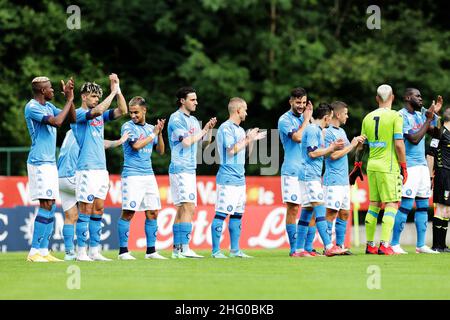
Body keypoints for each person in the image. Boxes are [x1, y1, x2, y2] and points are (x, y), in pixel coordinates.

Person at [73, 74, 127, 261]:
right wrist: (111, 93)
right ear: (84, 96)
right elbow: (96, 111)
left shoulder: (100, 115)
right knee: (85, 209)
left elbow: (122, 110)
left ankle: (94, 251)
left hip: (100, 168)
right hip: (86, 168)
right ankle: (81, 252)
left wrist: (117, 89)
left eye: (98, 97)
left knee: (99, 208)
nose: (96, 99)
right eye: (93, 96)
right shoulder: (77, 113)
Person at [350, 84, 407, 255]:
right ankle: (384, 244)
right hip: (388, 167)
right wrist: (404, 166)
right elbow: (398, 144)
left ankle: (370, 245)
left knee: (374, 204)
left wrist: (357, 165)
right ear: (393, 97)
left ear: (377, 99)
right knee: (391, 204)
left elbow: (361, 146)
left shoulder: (367, 117)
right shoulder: (396, 116)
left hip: (372, 166)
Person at [25, 76, 75, 262]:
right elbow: (56, 122)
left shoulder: (48, 106)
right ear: (42, 91)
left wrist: (71, 97)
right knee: (45, 204)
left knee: (51, 205)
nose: (53, 90)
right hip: (39, 162)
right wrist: (68, 100)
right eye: (50, 88)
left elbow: (70, 118)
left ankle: (44, 251)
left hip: (49, 163)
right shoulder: (32, 107)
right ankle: (34, 251)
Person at [58, 129, 129, 261]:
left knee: (70, 216)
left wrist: (118, 142)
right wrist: (120, 141)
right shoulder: (86, 130)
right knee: (94, 207)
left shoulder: (70, 131)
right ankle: (90, 252)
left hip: (61, 177)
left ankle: (69, 253)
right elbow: (101, 144)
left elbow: (100, 143)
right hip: (74, 175)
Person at [211, 97, 267, 258]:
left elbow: (245, 154)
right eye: (245, 109)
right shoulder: (226, 128)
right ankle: (216, 251)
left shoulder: (241, 130)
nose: (246, 113)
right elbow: (231, 150)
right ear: (238, 110)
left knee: (237, 215)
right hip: (227, 178)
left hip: (240, 178)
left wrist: (251, 141)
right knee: (221, 214)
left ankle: (235, 250)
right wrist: (248, 139)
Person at [390, 89, 442, 254]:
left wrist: (436, 116)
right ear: (407, 98)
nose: (421, 98)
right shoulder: (401, 116)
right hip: (409, 166)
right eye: (417, 96)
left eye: (421, 96)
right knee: (405, 206)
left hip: (422, 166)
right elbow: (414, 139)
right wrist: (428, 119)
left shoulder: (421, 115)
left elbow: (437, 133)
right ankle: (394, 244)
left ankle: (420, 245)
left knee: (422, 206)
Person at [168, 87, 217, 258]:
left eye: (196, 99)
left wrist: (208, 129)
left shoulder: (194, 121)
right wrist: (202, 132)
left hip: (189, 169)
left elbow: (204, 143)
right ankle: (184, 248)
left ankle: (177, 250)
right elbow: (188, 142)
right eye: (192, 99)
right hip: (180, 168)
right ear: (182, 100)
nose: (196, 102)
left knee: (183, 208)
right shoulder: (176, 119)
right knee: (188, 206)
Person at [117, 96, 167, 260]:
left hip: (148, 175)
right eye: (131, 113)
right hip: (132, 175)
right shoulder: (127, 127)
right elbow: (136, 146)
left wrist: (159, 133)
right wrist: (153, 134)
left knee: (152, 212)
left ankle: (151, 251)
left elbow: (160, 151)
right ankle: (123, 252)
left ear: (144, 110)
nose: (133, 116)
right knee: (129, 212)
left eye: (136, 112)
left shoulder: (151, 128)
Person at [295, 103, 347, 257]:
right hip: (309, 175)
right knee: (320, 208)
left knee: (306, 211)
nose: (329, 122)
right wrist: (331, 149)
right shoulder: (312, 130)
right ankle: (329, 246)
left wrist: (330, 147)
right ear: (326, 117)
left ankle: (299, 250)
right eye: (329, 119)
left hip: (310, 175)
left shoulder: (316, 129)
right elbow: (312, 153)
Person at [324, 101, 365, 255]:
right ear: (338, 114)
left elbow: (349, 151)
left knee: (345, 213)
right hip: (332, 180)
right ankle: (327, 246)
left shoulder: (341, 132)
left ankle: (340, 246)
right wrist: (352, 145)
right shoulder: (327, 132)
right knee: (331, 213)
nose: (347, 116)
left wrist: (359, 146)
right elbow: (333, 155)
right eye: (346, 113)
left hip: (343, 180)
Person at [277, 87, 314, 257]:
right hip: (291, 171)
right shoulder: (284, 120)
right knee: (293, 209)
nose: (301, 106)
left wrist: (311, 119)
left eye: (304, 102)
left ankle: (306, 248)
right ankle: (294, 249)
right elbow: (298, 137)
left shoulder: (309, 119)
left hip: (308, 172)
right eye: (298, 102)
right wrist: (307, 120)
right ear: (291, 101)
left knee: (311, 208)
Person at [429, 106, 450, 252]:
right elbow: (430, 154)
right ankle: (436, 245)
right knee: (441, 208)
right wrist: (430, 175)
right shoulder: (440, 132)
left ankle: (442, 245)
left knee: (447, 210)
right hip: (442, 173)